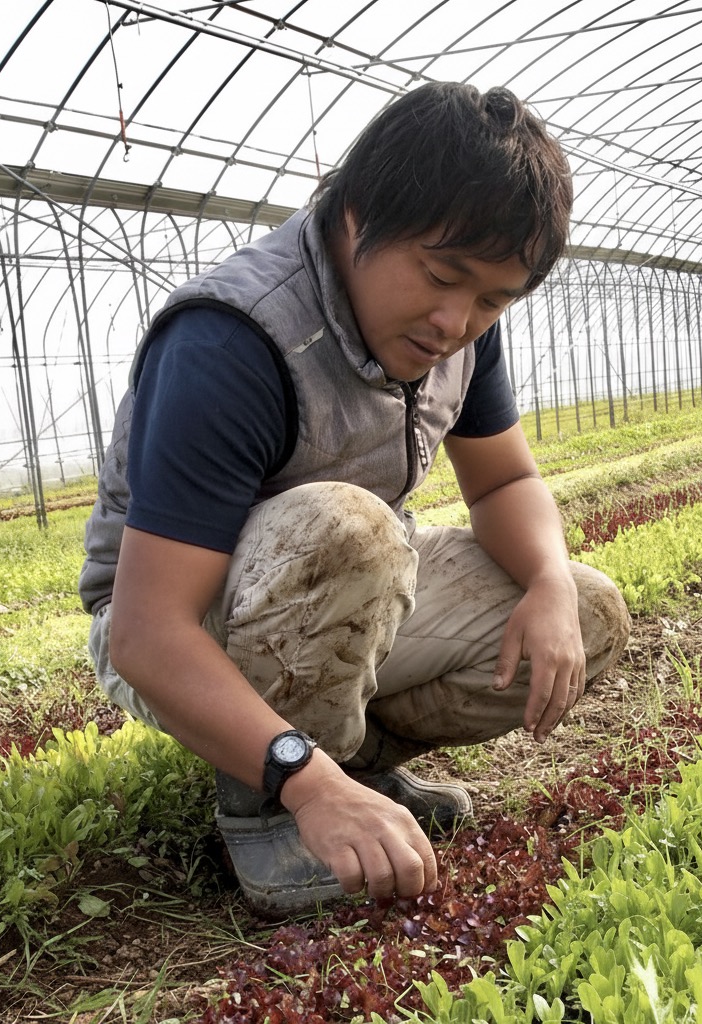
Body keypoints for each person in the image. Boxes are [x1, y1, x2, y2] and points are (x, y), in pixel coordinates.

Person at [79, 81, 631, 919]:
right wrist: (304, 780)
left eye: (492, 299)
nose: (456, 320)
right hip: (179, 628)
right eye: (442, 277)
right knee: (349, 529)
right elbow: (145, 634)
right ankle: (275, 792)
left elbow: (507, 481)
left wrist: (550, 585)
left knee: (586, 609)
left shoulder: (461, 328)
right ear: (357, 214)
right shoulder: (234, 340)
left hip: (340, 585)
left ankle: (356, 770)